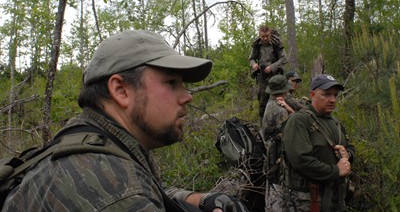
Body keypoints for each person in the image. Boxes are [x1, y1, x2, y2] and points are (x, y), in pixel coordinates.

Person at [2, 30, 248, 212]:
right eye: (172, 82)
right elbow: (124, 195)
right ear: (120, 90)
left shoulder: (87, 141)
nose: (187, 96)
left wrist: (198, 199)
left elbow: (148, 189)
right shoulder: (115, 194)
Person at [281, 74, 355, 211]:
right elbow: (301, 160)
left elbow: (350, 147)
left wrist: (347, 155)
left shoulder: (335, 123)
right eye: (326, 94)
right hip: (308, 200)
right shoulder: (299, 120)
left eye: (335, 95)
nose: (332, 100)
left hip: (336, 198)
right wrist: (336, 170)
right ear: (313, 94)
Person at [260, 75, 294, 212]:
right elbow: (287, 134)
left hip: (270, 155)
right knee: (279, 196)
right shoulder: (279, 109)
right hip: (277, 157)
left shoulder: (270, 104)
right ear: (284, 90)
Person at [248, 25, 288, 121]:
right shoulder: (257, 45)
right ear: (259, 35)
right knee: (262, 97)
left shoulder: (276, 43)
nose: (265, 38)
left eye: (267, 36)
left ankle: (281, 119)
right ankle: (263, 122)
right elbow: (251, 58)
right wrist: (254, 65)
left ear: (270, 34)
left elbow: (284, 58)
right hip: (262, 75)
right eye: (263, 36)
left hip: (276, 75)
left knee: (278, 97)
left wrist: (272, 67)